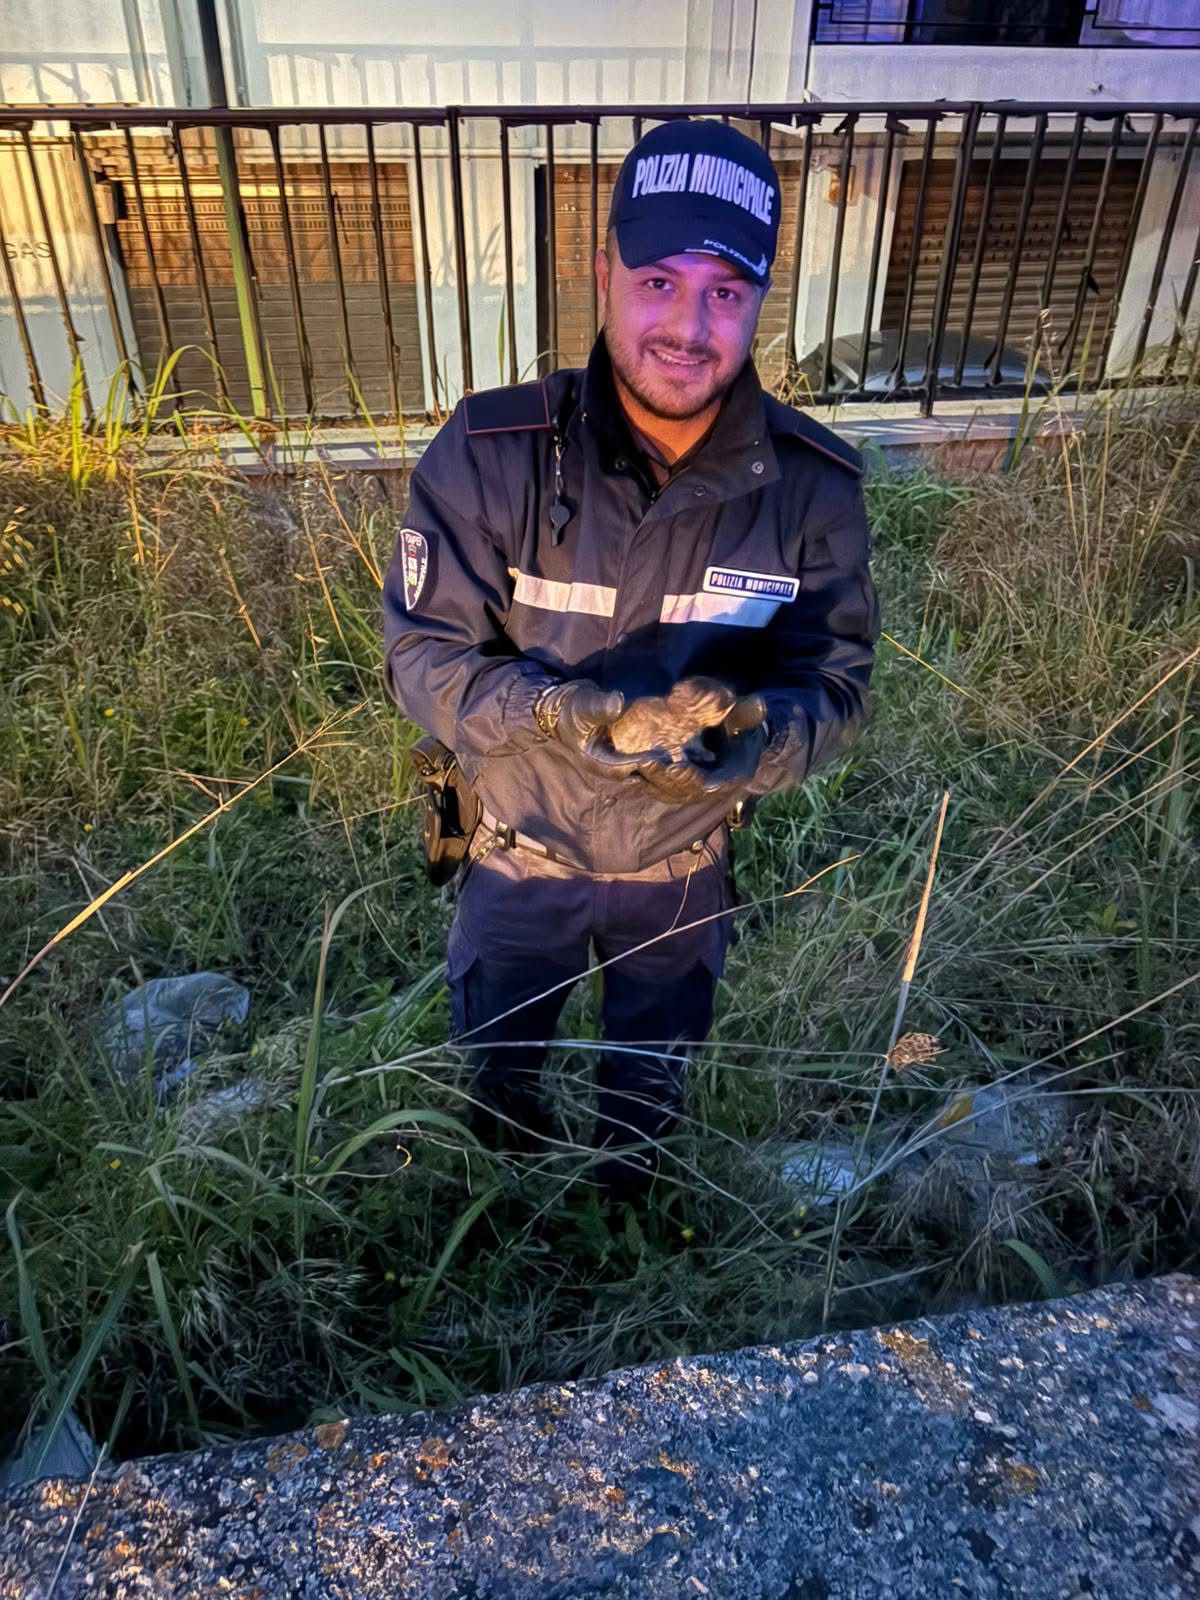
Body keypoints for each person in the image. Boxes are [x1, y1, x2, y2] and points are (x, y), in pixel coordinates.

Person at [382, 119, 880, 1205]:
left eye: (724, 292)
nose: (687, 326)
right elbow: (422, 656)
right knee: (499, 1078)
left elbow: (836, 684)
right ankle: (507, 1225)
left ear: (759, 302)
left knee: (649, 1090)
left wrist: (757, 741)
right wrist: (563, 718)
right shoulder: (491, 452)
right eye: (658, 280)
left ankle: (626, 1220)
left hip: (679, 866)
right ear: (603, 271)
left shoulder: (812, 487)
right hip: (518, 856)